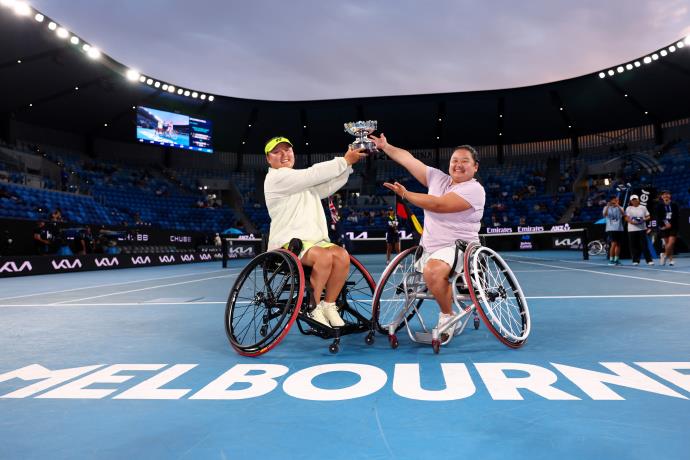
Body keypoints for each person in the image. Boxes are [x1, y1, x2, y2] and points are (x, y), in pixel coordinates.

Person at [370, 133, 485, 339]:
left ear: (475, 167)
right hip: (429, 247)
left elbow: (438, 205)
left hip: (458, 248)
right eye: (454, 160)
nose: (458, 165)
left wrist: (406, 194)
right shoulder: (438, 178)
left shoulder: (474, 189)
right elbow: (408, 159)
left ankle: (447, 315)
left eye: (464, 161)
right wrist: (385, 146)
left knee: (432, 270)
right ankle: (444, 303)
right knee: (430, 269)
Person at [263, 136, 366, 327]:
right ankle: (314, 307)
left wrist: (348, 166)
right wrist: (343, 161)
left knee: (342, 255)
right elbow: (313, 174)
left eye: (287, 150)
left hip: (315, 242)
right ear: (269, 159)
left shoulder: (301, 183)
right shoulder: (276, 178)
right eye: (277, 152)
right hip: (288, 244)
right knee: (324, 257)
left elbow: (328, 186)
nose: (284, 154)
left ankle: (329, 305)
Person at [625, 194, 653, 266]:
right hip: (632, 230)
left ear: (638, 200)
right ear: (631, 201)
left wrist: (643, 220)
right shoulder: (628, 208)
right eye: (633, 200)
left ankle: (649, 260)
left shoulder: (643, 207)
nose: (634, 201)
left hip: (642, 229)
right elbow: (626, 217)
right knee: (634, 246)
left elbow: (648, 216)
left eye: (636, 199)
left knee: (644, 245)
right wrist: (632, 222)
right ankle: (635, 260)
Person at [655, 190, 679, 266]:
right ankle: (671, 260)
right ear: (662, 197)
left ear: (670, 196)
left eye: (667, 194)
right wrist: (665, 224)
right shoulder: (659, 206)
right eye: (664, 195)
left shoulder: (674, 205)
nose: (666, 196)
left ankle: (664, 255)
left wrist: (670, 224)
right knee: (667, 243)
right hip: (664, 227)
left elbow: (676, 215)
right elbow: (659, 217)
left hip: (673, 226)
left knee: (671, 242)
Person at [602, 195, 624, 265]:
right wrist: (608, 206)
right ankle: (611, 260)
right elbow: (604, 215)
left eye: (617, 200)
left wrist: (618, 206)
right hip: (611, 228)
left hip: (619, 229)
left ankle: (616, 259)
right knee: (613, 244)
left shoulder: (620, 207)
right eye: (615, 200)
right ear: (611, 201)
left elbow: (623, 214)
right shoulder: (606, 207)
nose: (616, 201)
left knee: (618, 245)